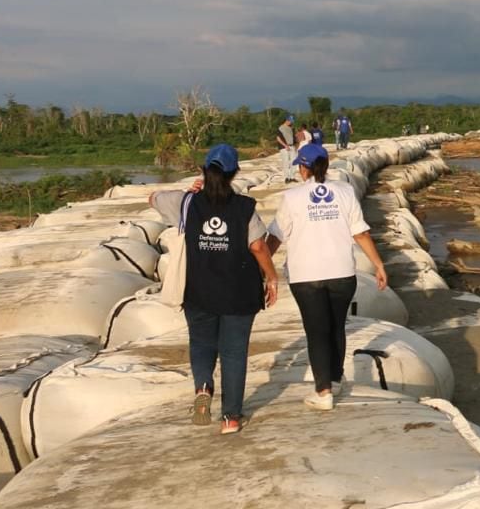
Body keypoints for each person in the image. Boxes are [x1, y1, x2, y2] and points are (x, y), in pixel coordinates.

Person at [149, 144, 279, 435]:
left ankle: (203, 386)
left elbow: (152, 197)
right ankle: (231, 418)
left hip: (198, 290)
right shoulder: (244, 207)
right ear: (235, 174)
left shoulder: (185, 203)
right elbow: (258, 245)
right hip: (239, 293)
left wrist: (189, 190)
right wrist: (271, 277)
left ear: (204, 170)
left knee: (201, 343)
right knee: (233, 352)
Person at [266, 143, 388, 411]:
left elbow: (275, 236)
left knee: (316, 331)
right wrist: (378, 264)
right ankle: (335, 376)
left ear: (302, 167)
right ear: (327, 165)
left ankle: (323, 391)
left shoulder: (292, 197)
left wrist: (264, 270)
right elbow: (361, 233)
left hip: (306, 275)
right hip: (342, 272)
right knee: (336, 326)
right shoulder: (345, 191)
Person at [276, 116, 296, 182]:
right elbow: (278, 138)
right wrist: (285, 145)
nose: (291, 123)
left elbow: (293, 138)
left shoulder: (291, 128)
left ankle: (292, 177)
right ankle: (287, 178)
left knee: (294, 161)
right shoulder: (281, 128)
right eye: (290, 121)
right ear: (287, 120)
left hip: (292, 146)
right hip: (284, 147)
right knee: (286, 162)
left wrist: (294, 146)